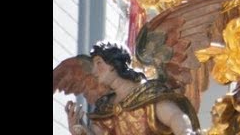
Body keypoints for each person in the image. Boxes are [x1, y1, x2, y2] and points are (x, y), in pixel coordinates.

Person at [57, 41, 200, 135]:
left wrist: (185, 131)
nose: (94, 71)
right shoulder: (106, 109)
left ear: (114, 64)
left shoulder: (148, 94)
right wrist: (78, 128)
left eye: (99, 63)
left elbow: (175, 116)